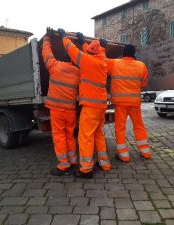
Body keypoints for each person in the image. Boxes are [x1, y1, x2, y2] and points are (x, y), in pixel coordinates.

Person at [58, 28, 111, 179]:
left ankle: (86, 169)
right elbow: (90, 53)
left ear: (91, 53)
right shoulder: (102, 62)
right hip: (100, 106)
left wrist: (64, 38)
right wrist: (84, 42)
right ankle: (104, 162)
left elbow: (74, 52)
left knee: (85, 136)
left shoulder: (88, 62)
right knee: (98, 134)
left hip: (91, 106)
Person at [42, 27, 80, 176]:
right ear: (71, 60)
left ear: (61, 59)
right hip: (70, 110)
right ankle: (73, 161)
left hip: (57, 110)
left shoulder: (54, 66)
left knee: (59, 136)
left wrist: (47, 38)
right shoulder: (77, 72)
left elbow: (46, 54)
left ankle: (64, 166)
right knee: (70, 136)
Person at [104, 43, 151, 162]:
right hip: (135, 103)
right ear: (134, 53)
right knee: (139, 126)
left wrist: (102, 47)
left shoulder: (115, 63)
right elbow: (144, 83)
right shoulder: (141, 65)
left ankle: (124, 155)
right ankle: (145, 152)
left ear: (123, 53)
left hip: (120, 103)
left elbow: (101, 61)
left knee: (120, 128)